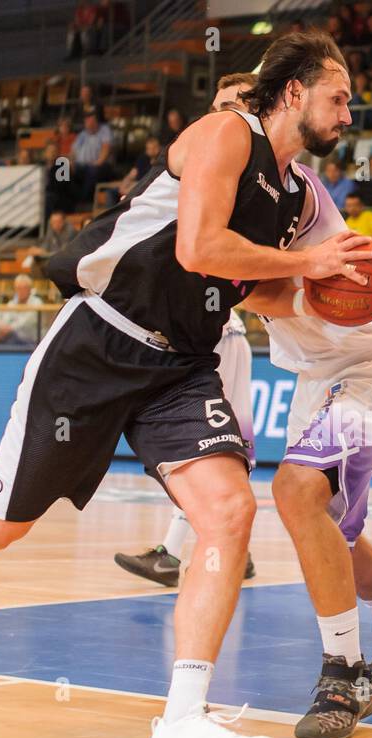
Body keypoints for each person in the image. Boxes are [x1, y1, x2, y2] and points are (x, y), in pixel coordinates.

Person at [0, 29, 372, 738]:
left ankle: (182, 724)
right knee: (1, 527)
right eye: (339, 97)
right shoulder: (226, 133)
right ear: (295, 93)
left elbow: (244, 285)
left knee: (230, 512)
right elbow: (198, 248)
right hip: (101, 345)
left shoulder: (293, 197)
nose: (348, 114)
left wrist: (330, 296)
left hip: (182, 367)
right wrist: (306, 262)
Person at [240, 123, 372, 738]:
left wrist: (300, 291)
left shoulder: (290, 187)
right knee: (328, 526)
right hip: (318, 375)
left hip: (370, 369)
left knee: (295, 493)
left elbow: (259, 289)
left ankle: (345, 676)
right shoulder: (215, 193)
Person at [114, 74, 264, 589]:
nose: (224, 114)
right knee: (208, 450)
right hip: (184, 330)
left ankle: (183, 550)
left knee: (225, 446)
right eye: (218, 105)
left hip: (223, 333)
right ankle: (208, 545)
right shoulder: (200, 163)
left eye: (237, 104)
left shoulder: (254, 179)